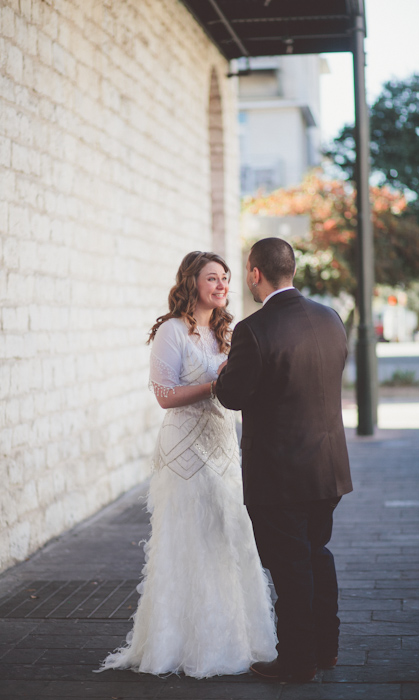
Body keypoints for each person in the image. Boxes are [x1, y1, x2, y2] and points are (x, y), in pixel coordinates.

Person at [96, 251, 277, 678]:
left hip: (222, 448)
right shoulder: (172, 332)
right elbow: (164, 394)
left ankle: (235, 637)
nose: (221, 286)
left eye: (226, 279)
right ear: (191, 282)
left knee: (226, 536)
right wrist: (217, 384)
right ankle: (178, 643)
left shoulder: (230, 331)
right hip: (183, 454)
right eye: (212, 278)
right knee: (188, 541)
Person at [215, 237, 353, 683]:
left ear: (255, 273)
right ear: (291, 269)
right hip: (327, 468)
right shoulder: (329, 317)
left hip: (279, 474)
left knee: (291, 566)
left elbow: (232, 395)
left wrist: (220, 377)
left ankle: (297, 661)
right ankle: (326, 649)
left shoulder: (253, 330)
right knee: (317, 554)